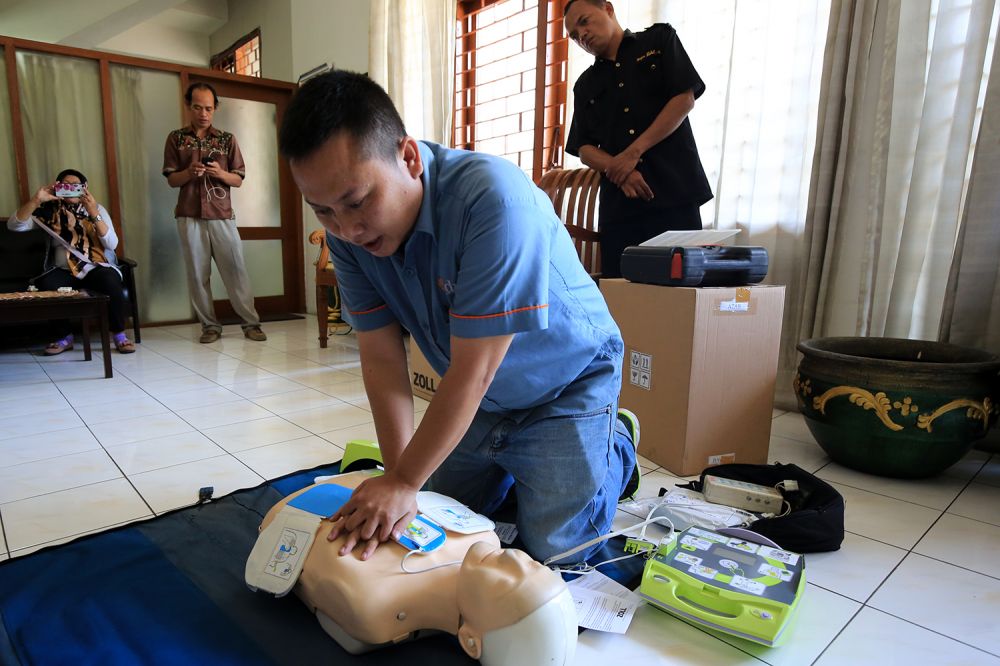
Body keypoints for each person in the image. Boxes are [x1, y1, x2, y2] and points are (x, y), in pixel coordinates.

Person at [278, 71, 640, 565]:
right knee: (442, 522)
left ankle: (614, 447)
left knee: (556, 554)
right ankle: (529, 470)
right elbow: (382, 357)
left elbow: (475, 369)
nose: (347, 228)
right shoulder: (348, 235)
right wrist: (399, 478)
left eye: (357, 202)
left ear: (408, 158)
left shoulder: (495, 201)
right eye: (323, 212)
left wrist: (406, 481)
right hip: (484, 397)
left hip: (567, 381)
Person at [253, 471, 578, 664]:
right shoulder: (485, 537)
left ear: (470, 641)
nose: (516, 558)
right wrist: (400, 480)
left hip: (298, 514)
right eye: (535, 566)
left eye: (510, 582)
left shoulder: (373, 607)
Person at [564, 0, 713, 279]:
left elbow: (684, 99)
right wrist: (617, 170)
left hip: (675, 191)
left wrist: (632, 154)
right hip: (620, 207)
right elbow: (583, 148)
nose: (581, 35)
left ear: (608, 9)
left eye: (584, 21)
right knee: (619, 293)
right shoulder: (585, 85)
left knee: (680, 290)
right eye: (574, 35)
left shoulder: (659, 41)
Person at [162, 82, 266, 344]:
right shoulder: (176, 138)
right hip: (189, 214)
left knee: (236, 270)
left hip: (222, 214)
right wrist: (189, 173)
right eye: (197, 107)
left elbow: (239, 179)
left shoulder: (227, 139)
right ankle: (209, 326)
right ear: (189, 106)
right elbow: (172, 180)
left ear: (215, 108)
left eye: (208, 108)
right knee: (198, 274)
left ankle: (251, 323)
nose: (203, 113)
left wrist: (220, 173)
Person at [8, 169, 136, 354]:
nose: (70, 189)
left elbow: (112, 243)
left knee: (110, 279)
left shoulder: (97, 209)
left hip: (94, 266)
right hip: (63, 269)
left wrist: (93, 213)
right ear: (57, 188)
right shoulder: (47, 212)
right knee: (48, 284)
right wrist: (36, 200)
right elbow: (14, 225)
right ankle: (63, 337)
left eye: (75, 186)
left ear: (84, 188)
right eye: (64, 185)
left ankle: (119, 334)